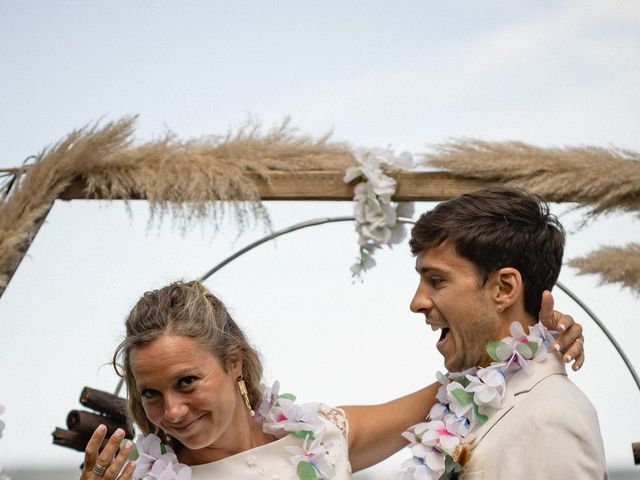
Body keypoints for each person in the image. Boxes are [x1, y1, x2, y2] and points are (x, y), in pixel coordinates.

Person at [81, 276, 584, 480]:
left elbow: (459, 388)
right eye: (150, 393)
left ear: (233, 362)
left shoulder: (317, 438)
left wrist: (538, 338)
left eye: (187, 382)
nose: (171, 412)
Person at [405, 185, 606, 478]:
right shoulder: (468, 403)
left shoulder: (552, 419)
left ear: (504, 288)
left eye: (436, 280)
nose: (416, 303)